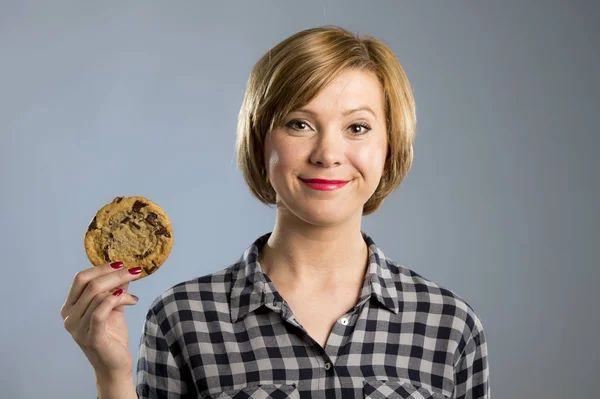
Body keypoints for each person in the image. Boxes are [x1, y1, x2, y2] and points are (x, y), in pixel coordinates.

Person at [61, 25, 490, 399]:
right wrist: (112, 377)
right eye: (299, 124)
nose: (327, 153)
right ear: (260, 140)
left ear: (389, 145)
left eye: (357, 127)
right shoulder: (182, 318)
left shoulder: (449, 324)